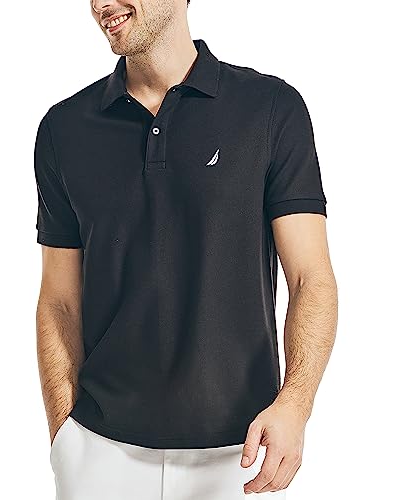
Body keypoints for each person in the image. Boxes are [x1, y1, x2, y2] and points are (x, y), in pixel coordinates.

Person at [34, 1, 338, 498]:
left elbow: (311, 278)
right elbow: (58, 299)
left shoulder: (269, 109)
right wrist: (64, 438)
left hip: (241, 454)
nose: (100, 4)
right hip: (99, 452)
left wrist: (295, 405)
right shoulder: (64, 129)